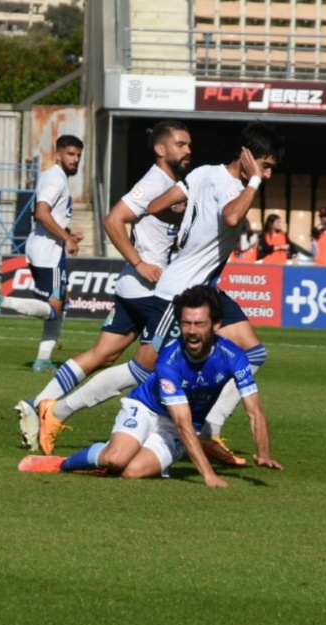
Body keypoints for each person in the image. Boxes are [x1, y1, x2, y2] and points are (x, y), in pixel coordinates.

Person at [28, 121, 283, 465]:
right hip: (179, 292)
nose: (266, 175)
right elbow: (232, 215)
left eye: (269, 170)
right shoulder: (232, 186)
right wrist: (249, 183)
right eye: (264, 166)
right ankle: (58, 410)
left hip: (204, 290)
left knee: (253, 354)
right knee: (141, 370)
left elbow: (158, 205)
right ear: (247, 156)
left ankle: (208, 430)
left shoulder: (204, 173)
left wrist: (188, 224)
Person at [14, 120, 192, 450]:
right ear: (160, 149)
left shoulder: (171, 183)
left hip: (134, 288)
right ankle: (175, 436)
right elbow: (113, 220)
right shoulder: (154, 182)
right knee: (153, 365)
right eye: (181, 144)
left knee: (103, 355)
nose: (188, 150)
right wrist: (140, 262)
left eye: (188, 145)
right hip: (150, 291)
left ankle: (37, 403)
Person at [18, 285, 284, 484]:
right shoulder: (169, 360)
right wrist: (208, 475)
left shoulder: (234, 357)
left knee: (132, 472)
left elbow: (254, 411)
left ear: (215, 325)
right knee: (116, 458)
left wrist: (263, 452)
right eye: (186, 323)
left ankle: (102, 461)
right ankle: (63, 463)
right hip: (146, 407)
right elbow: (182, 421)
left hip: (177, 428)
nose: (191, 331)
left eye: (199, 324)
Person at [0, 135, 84, 373]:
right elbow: (42, 212)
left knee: (60, 304)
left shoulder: (56, 177)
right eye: (71, 154)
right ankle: (1, 301)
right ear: (59, 154)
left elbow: (46, 216)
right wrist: (65, 238)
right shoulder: (56, 178)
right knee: (53, 309)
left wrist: (67, 232)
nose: (75, 160)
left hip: (46, 247)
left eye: (78, 156)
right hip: (48, 252)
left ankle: (43, 360)